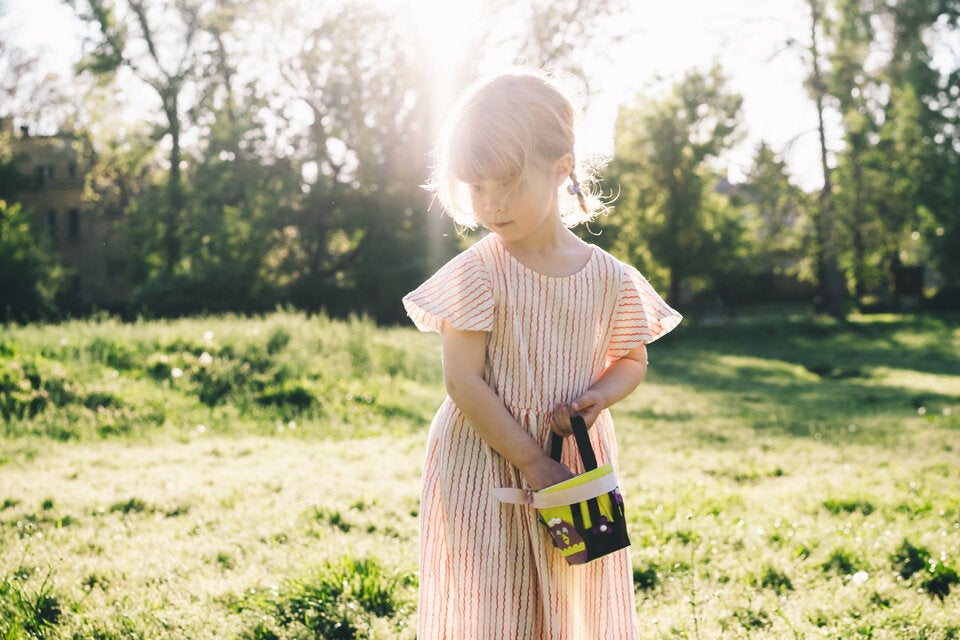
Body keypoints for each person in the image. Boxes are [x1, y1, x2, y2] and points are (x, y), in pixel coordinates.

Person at [402, 68, 682, 639]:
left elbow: (631, 360)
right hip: (484, 463)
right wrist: (531, 460)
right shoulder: (478, 273)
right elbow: (463, 381)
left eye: (506, 183)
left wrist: (599, 397)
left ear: (562, 169)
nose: (491, 203)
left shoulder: (611, 279)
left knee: (569, 601)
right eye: (476, 186)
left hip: (573, 464)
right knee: (492, 605)